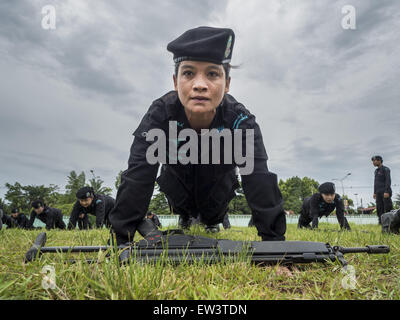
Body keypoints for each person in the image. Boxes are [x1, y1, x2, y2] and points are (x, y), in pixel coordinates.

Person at [109, 26, 286, 245]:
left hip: (217, 188)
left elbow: (258, 177)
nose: (200, 85)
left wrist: (274, 244)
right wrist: (120, 240)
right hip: (178, 184)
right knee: (178, 199)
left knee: (212, 215)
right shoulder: (160, 115)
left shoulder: (240, 121)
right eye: (189, 73)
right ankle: (185, 217)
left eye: (212, 74)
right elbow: (138, 175)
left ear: (227, 84)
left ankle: (212, 220)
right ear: (175, 82)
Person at [372, 155, 393, 224]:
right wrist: (375, 192)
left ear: (379, 160)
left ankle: (389, 222)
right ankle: (381, 222)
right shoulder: (376, 171)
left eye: (374, 160)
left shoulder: (386, 169)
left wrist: (387, 191)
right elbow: (375, 182)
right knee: (379, 208)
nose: (373, 162)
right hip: (378, 192)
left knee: (387, 207)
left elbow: (388, 180)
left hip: (385, 192)